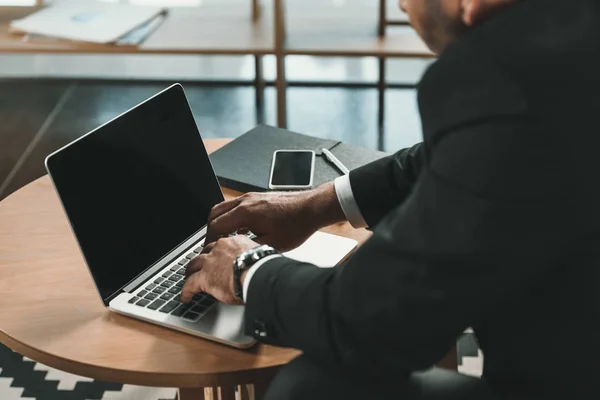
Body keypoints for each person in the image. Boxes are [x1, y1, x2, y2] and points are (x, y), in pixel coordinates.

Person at [181, 0, 600, 398]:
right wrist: (315, 205)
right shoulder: (571, 40)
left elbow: (370, 322)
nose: (401, 6)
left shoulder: (505, 75)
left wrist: (245, 269)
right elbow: (453, 156)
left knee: (311, 388)